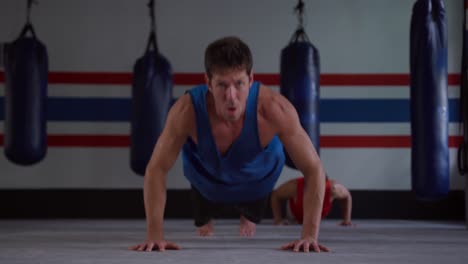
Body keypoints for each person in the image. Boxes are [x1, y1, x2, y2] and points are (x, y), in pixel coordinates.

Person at [129, 36, 328, 253]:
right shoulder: (186, 111)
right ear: (208, 82)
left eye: (239, 84)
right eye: (222, 85)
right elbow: (156, 168)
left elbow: (313, 168)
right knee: (192, 166)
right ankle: (207, 212)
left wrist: (309, 234)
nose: (231, 96)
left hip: (258, 178)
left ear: (251, 80)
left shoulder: (275, 109)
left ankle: (248, 213)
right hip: (207, 178)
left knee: (267, 170)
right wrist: (154, 235)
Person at [271, 175, 353, 226]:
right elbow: (275, 195)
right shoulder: (294, 186)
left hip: (316, 215)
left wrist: (346, 220)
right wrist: (278, 219)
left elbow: (347, 196)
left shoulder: (333, 188)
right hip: (295, 214)